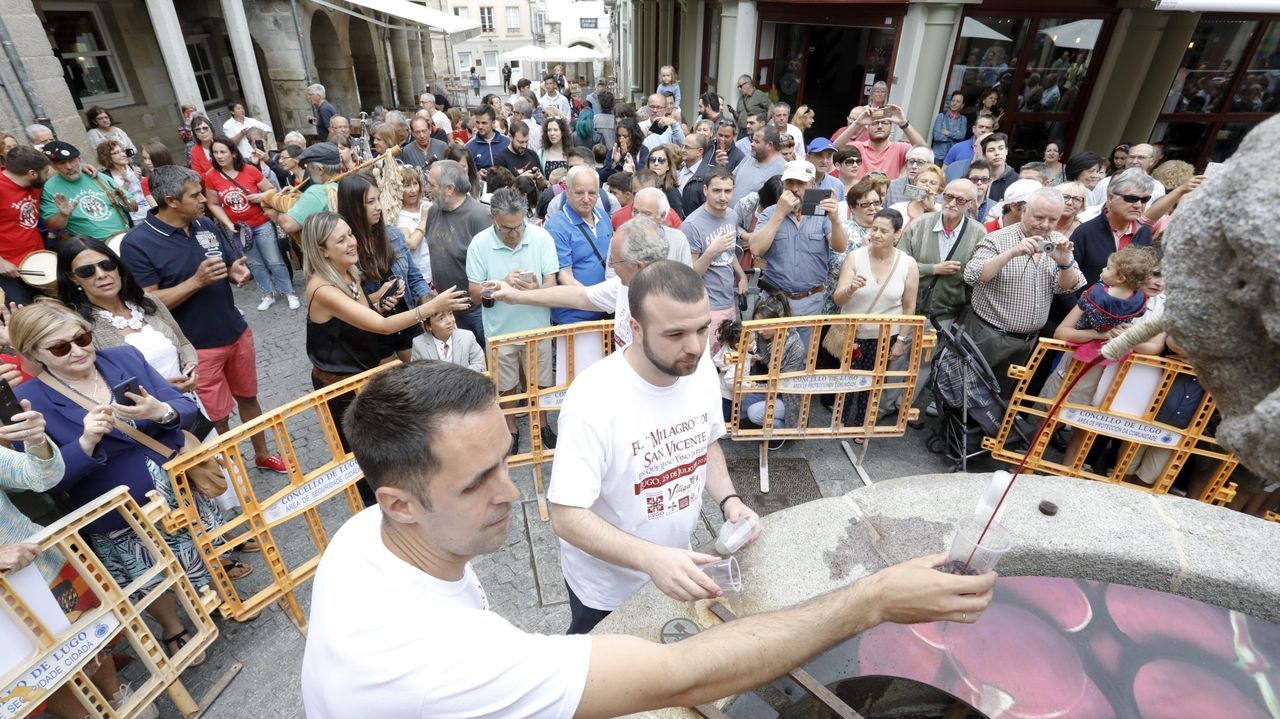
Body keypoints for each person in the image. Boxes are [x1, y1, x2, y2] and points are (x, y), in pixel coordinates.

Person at [300, 352, 994, 717]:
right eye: (477, 480)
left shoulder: (363, 537)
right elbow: (680, 674)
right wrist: (871, 599)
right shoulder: (447, 668)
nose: (513, 491)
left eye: (508, 460)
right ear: (401, 503)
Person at [547, 260, 763, 633]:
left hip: (671, 567)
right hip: (607, 591)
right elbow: (567, 517)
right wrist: (651, 559)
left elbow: (706, 442)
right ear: (636, 329)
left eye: (701, 328)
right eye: (675, 334)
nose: (694, 347)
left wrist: (730, 500)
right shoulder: (592, 401)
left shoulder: (700, 372)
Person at [9, 301, 213, 663]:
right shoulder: (32, 400)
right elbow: (47, 482)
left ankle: (212, 595)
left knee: (197, 542)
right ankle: (173, 627)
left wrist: (159, 411)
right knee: (147, 571)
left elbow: (183, 407)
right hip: (114, 509)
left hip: (175, 482)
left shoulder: (123, 357)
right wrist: (85, 443)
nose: (77, 350)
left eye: (82, 337)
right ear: (33, 353)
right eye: (60, 347)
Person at [120, 165, 287, 473]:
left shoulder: (205, 225)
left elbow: (225, 264)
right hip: (196, 346)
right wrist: (195, 282)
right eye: (195, 195)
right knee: (217, 415)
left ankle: (262, 454)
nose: (204, 200)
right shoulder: (138, 242)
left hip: (234, 329)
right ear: (171, 201)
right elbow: (147, 302)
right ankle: (230, 472)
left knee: (249, 397)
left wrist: (235, 271)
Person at [961, 186, 1085, 396]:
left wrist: (1065, 263)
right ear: (1024, 210)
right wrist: (1012, 252)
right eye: (1039, 217)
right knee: (967, 390)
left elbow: (1071, 286)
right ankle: (954, 428)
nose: (1045, 225)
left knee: (1002, 395)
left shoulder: (1056, 242)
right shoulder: (998, 239)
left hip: (1027, 341)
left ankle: (985, 428)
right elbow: (973, 275)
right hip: (989, 335)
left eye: (1052, 219)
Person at [465, 188, 560, 451]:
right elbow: (473, 292)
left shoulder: (541, 238)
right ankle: (511, 430)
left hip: (537, 328)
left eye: (519, 226)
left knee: (541, 382)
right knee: (504, 388)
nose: (515, 233)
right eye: (507, 229)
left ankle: (542, 424)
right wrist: (498, 286)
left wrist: (536, 290)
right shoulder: (480, 243)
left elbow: (552, 284)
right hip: (499, 331)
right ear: (493, 219)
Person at [1049, 245, 1159, 465]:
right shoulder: (1137, 300)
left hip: (1105, 371)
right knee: (1053, 416)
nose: (1103, 268)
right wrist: (1102, 333)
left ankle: (1067, 472)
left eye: (1108, 267)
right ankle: (1027, 461)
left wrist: (1126, 336)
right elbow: (1062, 332)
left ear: (1120, 277)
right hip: (1083, 365)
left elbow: (1154, 346)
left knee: (1086, 425)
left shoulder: (1098, 294)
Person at [832, 208, 917, 429]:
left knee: (874, 382)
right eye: (874, 229)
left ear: (897, 234)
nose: (876, 234)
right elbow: (838, 299)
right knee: (847, 378)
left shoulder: (908, 264)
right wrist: (851, 288)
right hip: (852, 333)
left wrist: (901, 341)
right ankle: (840, 420)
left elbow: (909, 307)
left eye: (884, 231)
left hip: (884, 335)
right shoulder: (855, 257)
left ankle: (863, 425)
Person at [749, 160, 848, 346]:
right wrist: (779, 214)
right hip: (775, 300)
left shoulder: (822, 212)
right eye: (790, 183)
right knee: (769, 356)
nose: (794, 189)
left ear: (812, 185)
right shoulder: (770, 212)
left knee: (804, 360)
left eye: (800, 183)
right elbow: (756, 249)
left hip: (810, 301)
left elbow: (840, 246)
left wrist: (835, 220)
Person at [336, 174, 430, 362]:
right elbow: (344, 303)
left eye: (378, 198)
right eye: (370, 201)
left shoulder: (393, 235)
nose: (378, 206)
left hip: (407, 318)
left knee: (419, 378)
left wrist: (430, 304)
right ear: (352, 206)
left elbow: (414, 278)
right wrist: (378, 297)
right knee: (393, 387)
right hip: (372, 330)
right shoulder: (344, 249)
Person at [202, 135, 297, 311]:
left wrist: (261, 196)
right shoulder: (211, 176)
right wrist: (228, 224)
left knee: (274, 260)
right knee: (255, 263)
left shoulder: (249, 170)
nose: (219, 156)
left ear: (233, 153)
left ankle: (289, 292)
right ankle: (267, 294)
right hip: (238, 228)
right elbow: (213, 204)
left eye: (223, 152)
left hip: (261, 223)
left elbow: (271, 190)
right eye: (215, 152)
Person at [424, 160, 494, 345]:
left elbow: (492, 264)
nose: (427, 189)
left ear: (449, 189)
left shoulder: (478, 216)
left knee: (487, 356)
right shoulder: (433, 211)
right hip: (447, 307)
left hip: (476, 309)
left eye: (432, 185)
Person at [683, 168, 747, 352]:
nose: (723, 197)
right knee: (707, 362)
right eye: (716, 190)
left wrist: (741, 275)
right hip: (706, 307)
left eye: (727, 191)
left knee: (729, 360)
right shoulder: (691, 225)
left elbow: (729, 252)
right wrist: (712, 251)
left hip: (729, 302)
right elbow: (691, 274)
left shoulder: (732, 215)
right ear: (705, 190)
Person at [544, 166, 615, 326]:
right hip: (575, 318)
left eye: (592, 193)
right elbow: (564, 276)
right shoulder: (557, 226)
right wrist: (592, 299)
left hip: (604, 312)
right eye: (579, 192)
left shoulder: (603, 216)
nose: (586, 198)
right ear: (567, 191)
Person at [1069, 168, 1156, 287]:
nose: (1138, 205)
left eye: (1144, 200)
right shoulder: (1085, 231)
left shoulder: (1144, 233)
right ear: (1110, 198)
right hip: (1085, 303)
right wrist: (1077, 305)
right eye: (1131, 199)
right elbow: (1066, 277)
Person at [40, 141, 133, 240]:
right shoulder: (49, 188)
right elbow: (51, 226)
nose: (69, 167)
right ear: (53, 166)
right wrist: (63, 215)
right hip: (92, 247)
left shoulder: (95, 175)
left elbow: (133, 206)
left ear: (79, 160)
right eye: (62, 163)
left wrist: (123, 201)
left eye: (72, 161)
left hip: (124, 237)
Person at [0, 146, 50, 305]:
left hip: (38, 259)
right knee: (27, 314)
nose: (48, 176)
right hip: (8, 268)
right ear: (32, 173)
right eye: (45, 172)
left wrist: (82, 167)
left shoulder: (34, 184)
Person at [834, 104, 926, 180]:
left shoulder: (900, 148)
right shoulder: (857, 147)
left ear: (891, 127)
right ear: (867, 126)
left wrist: (903, 123)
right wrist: (858, 123)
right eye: (874, 123)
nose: (880, 126)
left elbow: (923, 150)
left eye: (885, 123)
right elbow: (834, 149)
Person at [273, 143, 343, 235]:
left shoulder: (318, 191)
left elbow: (288, 225)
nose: (308, 171)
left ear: (320, 170)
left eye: (308, 167)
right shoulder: (346, 182)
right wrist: (302, 196)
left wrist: (275, 211)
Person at [630, 188, 693, 266]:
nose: (638, 218)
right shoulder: (620, 238)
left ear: (662, 216)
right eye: (635, 211)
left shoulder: (678, 238)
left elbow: (687, 274)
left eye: (646, 214)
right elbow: (611, 274)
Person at [97, 140, 150, 223]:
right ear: (107, 157)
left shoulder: (134, 166)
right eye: (116, 153)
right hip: (135, 219)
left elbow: (150, 185)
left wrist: (141, 178)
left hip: (151, 210)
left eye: (122, 151)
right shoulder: (106, 177)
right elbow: (114, 200)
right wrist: (126, 183)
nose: (123, 154)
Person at [731, 126, 785, 205]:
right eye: (752, 140)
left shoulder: (782, 169)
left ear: (769, 145)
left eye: (757, 142)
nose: (752, 144)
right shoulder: (750, 157)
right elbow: (732, 178)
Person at [942, 112, 995, 182]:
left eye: (987, 128)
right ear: (973, 129)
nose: (984, 130)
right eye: (981, 127)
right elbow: (943, 173)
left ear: (991, 131)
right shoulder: (957, 147)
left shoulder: (994, 152)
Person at [645, 143, 686, 218]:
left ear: (668, 166)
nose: (656, 163)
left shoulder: (672, 194)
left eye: (661, 160)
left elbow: (676, 223)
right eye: (652, 159)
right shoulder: (643, 187)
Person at [678, 132, 712, 210]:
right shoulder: (677, 170)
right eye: (682, 146)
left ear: (699, 151)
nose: (682, 150)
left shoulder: (709, 176)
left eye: (687, 147)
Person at [980, 133, 1018, 203]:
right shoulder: (977, 179)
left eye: (1001, 148)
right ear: (984, 155)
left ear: (1006, 151)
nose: (997, 153)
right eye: (991, 150)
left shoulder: (1016, 181)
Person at [932, 92, 968, 164]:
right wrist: (955, 138)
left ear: (962, 105)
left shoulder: (963, 119)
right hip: (938, 156)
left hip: (952, 156)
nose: (954, 103)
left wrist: (947, 133)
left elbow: (961, 136)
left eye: (958, 101)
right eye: (953, 100)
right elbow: (937, 136)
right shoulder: (941, 116)